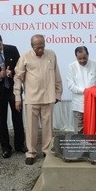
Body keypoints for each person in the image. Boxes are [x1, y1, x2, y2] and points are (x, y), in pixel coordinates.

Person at [14, 34, 63, 165]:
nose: (40, 50)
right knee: (31, 127)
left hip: (48, 98)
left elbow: (56, 74)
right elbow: (18, 78)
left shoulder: (51, 55)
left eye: (42, 46)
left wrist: (58, 93)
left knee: (48, 127)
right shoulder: (25, 57)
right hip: (31, 98)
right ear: (32, 46)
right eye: (38, 47)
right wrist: (17, 97)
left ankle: (47, 150)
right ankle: (31, 153)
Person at [67, 46, 96, 134]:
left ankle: (92, 146)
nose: (82, 61)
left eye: (84, 58)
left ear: (88, 55)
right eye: (79, 59)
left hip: (94, 103)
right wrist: (85, 91)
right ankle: (79, 146)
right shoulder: (72, 67)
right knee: (79, 129)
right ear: (76, 57)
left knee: (94, 128)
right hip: (79, 104)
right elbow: (71, 85)